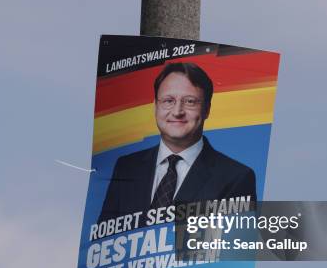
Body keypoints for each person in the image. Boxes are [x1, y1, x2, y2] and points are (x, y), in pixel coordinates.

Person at [98, 62, 256, 223]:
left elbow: (235, 246)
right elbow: (102, 241)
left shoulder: (236, 178)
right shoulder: (126, 167)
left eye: (190, 101)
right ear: (155, 106)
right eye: (168, 100)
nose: (177, 111)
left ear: (207, 109)